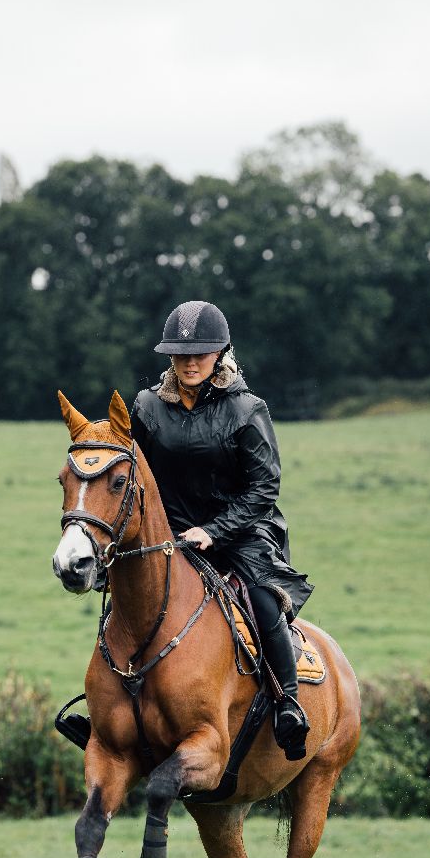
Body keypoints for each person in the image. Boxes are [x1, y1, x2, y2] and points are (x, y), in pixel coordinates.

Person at [130, 300, 312, 759]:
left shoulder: (247, 408)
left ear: (221, 354)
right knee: (129, 597)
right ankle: (110, 710)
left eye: (201, 353)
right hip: (170, 535)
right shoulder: (148, 407)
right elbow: (136, 474)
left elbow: (265, 485)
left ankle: (288, 702)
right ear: (169, 357)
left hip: (241, 532)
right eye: (180, 354)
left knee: (263, 597)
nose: (191, 363)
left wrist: (215, 530)